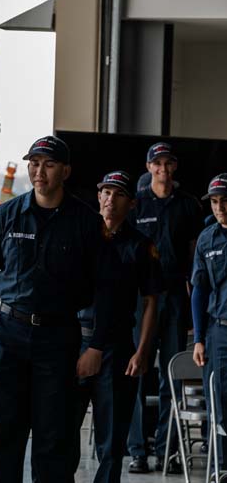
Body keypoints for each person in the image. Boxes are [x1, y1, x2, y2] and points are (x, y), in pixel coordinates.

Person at [0, 135, 111, 483]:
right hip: (9, 335)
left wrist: (95, 346)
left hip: (59, 337)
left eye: (48, 164)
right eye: (34, 163)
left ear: (65, 170)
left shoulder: (86, 222)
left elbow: (108, 290)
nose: (39, 171)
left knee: (54, 437)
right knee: (5, 435)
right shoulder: (6, 215)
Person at [71, 171, 163, 483]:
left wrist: (142, 351)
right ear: (98, 197)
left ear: (132, 203)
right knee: (61, 432)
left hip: (117, 348)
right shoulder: (79, 237)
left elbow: (151, 301)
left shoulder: (140, 246)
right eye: (106, 192)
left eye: (119, 194)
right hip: (75, 342)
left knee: (111, 441)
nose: (111, 199)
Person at [127, 142, 203, 473]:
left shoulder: (188, 205)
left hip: (173, 297)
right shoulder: (135, 204)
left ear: (174, 167)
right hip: (142, 300)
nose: (163, 169)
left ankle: (168, 449)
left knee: (171, 377)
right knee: (138, 370)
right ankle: (138, 451)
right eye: (156, 163)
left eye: (168, 163)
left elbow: (192, 255)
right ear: (149, 168)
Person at [192, 173, 227, 470]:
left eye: (225, 200)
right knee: (219, 401)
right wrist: (199, 339)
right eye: (215, 202)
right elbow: (199, 291)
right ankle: (222, 468)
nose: (220, 208)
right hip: (219, 331)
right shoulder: (206, 239)